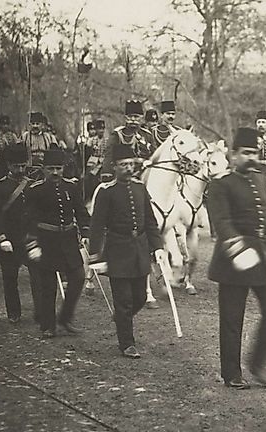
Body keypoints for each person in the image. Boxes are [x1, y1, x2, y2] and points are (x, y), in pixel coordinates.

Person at [205, 127, 266, 389]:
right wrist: (236, 246)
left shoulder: (260, 178)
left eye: (254, 153)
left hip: (262, 257)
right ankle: (231, 373)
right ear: (233, 154)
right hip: (234, 259)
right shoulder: (220, 184)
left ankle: (258, 364)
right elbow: (222, 221)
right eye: (245, 153)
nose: (251, 158)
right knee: (232, 318)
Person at [89, 143, 166, 358]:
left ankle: (122, 319)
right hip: (118, 250)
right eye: (123, 165)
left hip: (140, 249)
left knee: (140, 297)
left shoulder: (140, 188)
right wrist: (95, 253)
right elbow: (97, 224)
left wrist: (157, 246)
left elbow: (150, 222)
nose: (129, 168)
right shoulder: (106, 191)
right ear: (114, 167)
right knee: (122, 299)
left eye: (131, 164)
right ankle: (127, 343)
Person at [24, 147, 90, 338]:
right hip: (47, 241)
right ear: (44, 169)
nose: (55, 173)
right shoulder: (35, 190)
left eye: (58, 168)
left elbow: (81, 212)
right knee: (48, 285)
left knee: (78, 277)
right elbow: (28, 220)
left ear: (63, 169)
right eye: (51, 168)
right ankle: (48, 325)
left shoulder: (72, 187)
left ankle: (65, 317)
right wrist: (33, 244)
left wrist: (85, 230)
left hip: (68, 240)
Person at [0, 143, 41, 323]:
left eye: (23, 165)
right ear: (9, 165)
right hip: (9, 239)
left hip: (30, 239)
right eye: (16, 166)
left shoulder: (33, 185)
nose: (20, 169)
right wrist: (1, 238)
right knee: (10, 279)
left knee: (38, 276)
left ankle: (40, 311)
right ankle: (14, 313)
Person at [101, 100, 155, 181]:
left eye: (136, 117)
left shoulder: (147, 135)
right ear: (125, 118)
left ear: (141, 118)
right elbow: (108, 155)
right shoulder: (118, 134)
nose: (133, 119)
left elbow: (154, 153)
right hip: (123, 173)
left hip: (146, 173)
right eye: (130, 116)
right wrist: (107, 173)